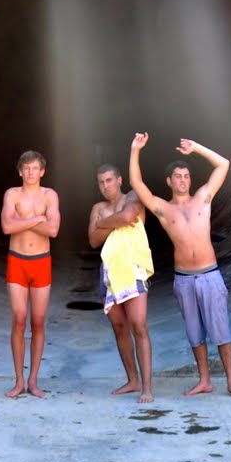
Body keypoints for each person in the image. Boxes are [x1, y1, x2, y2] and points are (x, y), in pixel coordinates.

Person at [128, 132, 231, 399]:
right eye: (178, 177)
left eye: (186, 176)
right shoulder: (162, 209)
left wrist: (196, 148)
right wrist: (135, 150)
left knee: (221, 330)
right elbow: (136, 183)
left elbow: (223, 164)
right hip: (184, 279)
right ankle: (204, 380)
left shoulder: (203, 197)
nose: (183, 180)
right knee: (194, 333)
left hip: (209, 275)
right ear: (169, 181)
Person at [88, 163, 155, 403]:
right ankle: (132, 380)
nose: (105, 185)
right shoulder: (98, 207)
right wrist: (114, 222)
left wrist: (103, 222)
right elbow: (93, 240)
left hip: (132, 268)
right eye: (101, 182)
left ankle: (147, 388)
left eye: (109, 180)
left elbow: (128, 216)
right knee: (119, 326)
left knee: (139, 325)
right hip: (109, 270)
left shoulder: (133, 196)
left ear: (119, 180)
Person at [1, 150, 59, 398]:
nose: (31, 172)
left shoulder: (50, 195)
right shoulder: (12, 194)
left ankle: (33, 381)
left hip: (41, 261)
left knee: (38, 321)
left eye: (35, 168)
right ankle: (18, 380)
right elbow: (7, 227)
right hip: (17, 260)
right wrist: (38, 219)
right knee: (19, 318)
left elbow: (53, 230)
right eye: (27, 168)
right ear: (20, 171)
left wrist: (22, 221)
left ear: (42, 171)